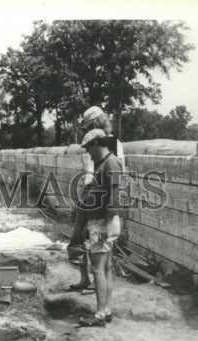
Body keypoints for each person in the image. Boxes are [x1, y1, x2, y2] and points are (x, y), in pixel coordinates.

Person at [76, 128, 124, 328]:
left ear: (97, 144)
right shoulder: (102, 163)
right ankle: (107, 310)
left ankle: (99, 315)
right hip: (99, 221)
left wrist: (103, 225)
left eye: (89, 148)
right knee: (105, 268)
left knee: (97, 269)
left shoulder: (110, 162)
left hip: (103, 222)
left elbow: (114, 196)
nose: (88, 152)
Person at [67, 106, 124, 274]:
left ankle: (97, 275)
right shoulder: (91, 140)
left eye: (89, 125)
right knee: (79, 234)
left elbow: (118, 170)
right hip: (89, 189)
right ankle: (86, 277)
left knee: (95, 235)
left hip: (100, 192)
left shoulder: (111, 142)